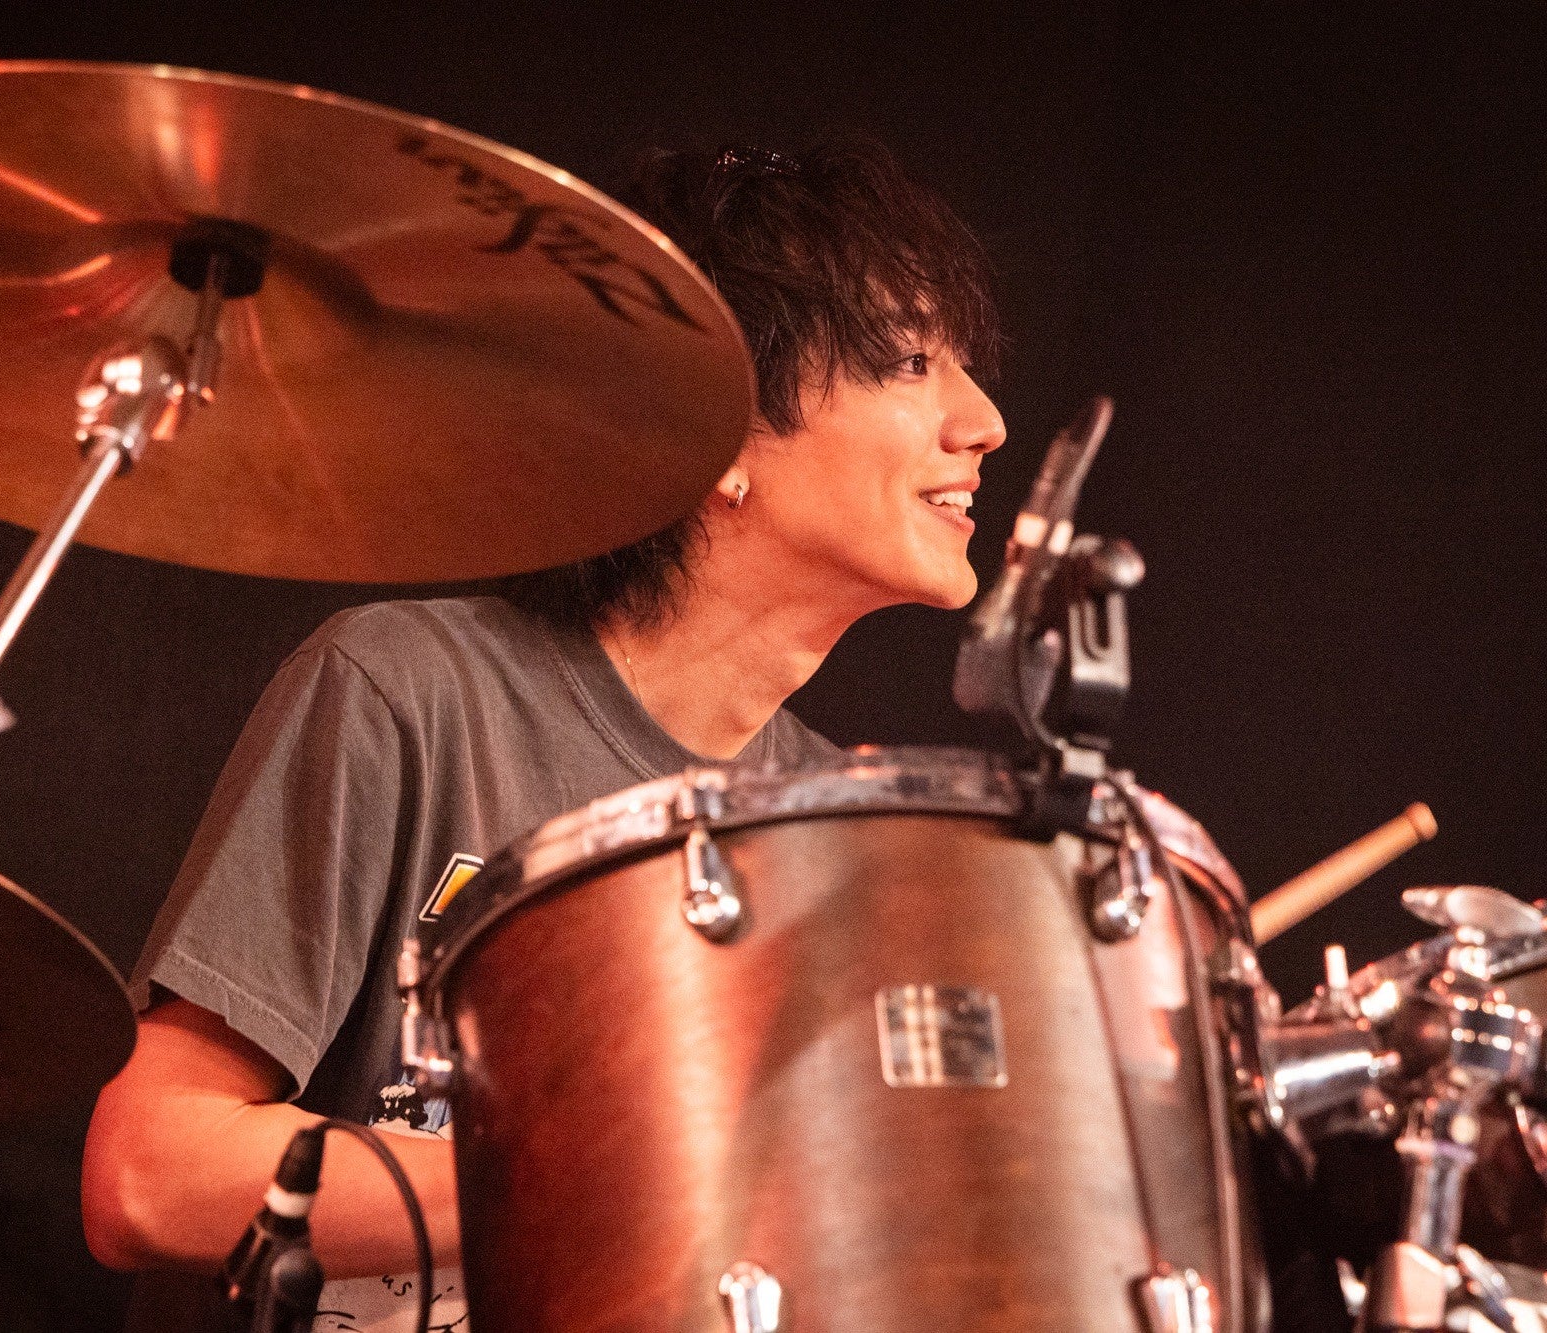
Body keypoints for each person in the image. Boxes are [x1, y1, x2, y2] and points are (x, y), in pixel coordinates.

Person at [81, 136, 1006, 1332]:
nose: (982, 421)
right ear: (720, 429)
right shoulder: (409, 693)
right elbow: (148, 1176)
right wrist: (608, 1174)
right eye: (909, 361)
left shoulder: (846, 842)